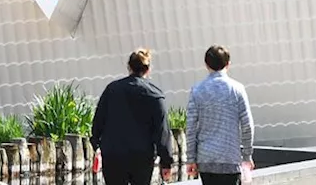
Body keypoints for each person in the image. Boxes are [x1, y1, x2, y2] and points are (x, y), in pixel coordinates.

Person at [91, 49, 175, 185]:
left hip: (113, 154)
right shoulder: (154, 95)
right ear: (148, 69)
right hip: (142, 156)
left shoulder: (112, 90)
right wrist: (166, 162)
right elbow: (162, 132)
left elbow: (98, 121)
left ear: (129, 67)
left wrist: (97, 145)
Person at [186, 45, 254, 185]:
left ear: (206, 64)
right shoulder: (237, 89)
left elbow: (191, 127)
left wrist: (191, 158)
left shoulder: (197, 90)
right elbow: (247, 125)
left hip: (206, 159)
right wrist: (247, 155)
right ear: (228, 64)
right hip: (230, 158)